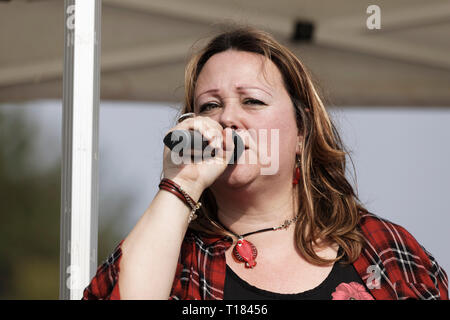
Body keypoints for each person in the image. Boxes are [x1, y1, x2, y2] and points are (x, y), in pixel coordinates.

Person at [83, 26, 448, 300]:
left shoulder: (380, 248)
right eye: (210, 105)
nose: (227, 119)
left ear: (302, 133)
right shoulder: (176, 255)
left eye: (252, 101)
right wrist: (182, 184)